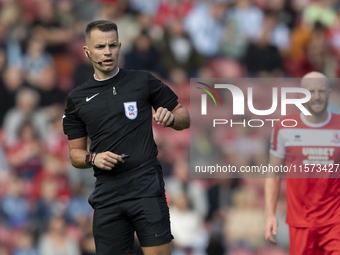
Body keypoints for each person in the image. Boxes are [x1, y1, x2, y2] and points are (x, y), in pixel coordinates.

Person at [62, 20, 190, 255]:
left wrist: (172, 119)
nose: (107, 52)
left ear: (120, 46)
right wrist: (94, 158)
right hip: (108, 192)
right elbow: (75, 155)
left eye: (112, 45)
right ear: (87, 51)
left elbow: (184, 115)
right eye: (100, 47)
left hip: (146, 185)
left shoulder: (142, 80)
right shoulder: (77, 98)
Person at [265, 72, 340, 254]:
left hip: (335, 221)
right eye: (311, 92)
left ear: (329, 93)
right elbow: (273, 174)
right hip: (300, 222)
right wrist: (270, 215)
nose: (316, 97)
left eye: (321, 91)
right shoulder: (284, 127)